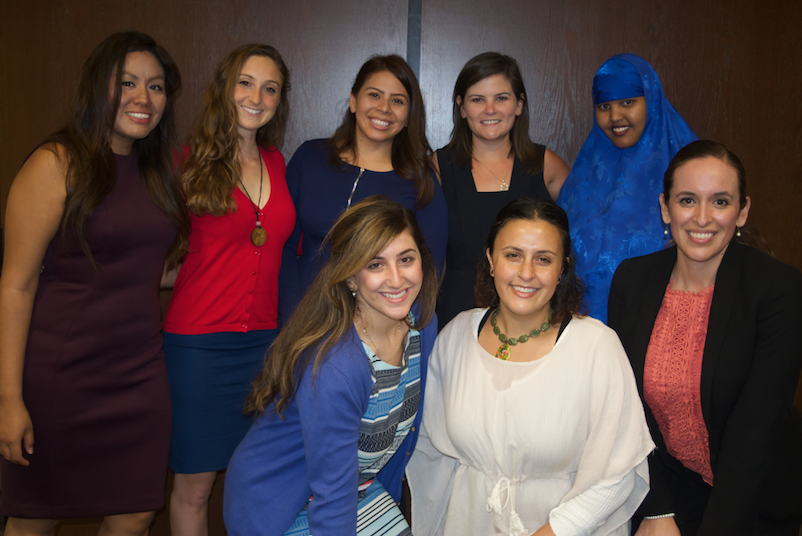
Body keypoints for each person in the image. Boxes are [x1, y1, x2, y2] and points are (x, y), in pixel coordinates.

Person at [0, 31, 188, 535]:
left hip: (140, 374)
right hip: (61, 376)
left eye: (155, 86)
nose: (142, 98)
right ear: (96, 88)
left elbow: (150, 266)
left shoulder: (159, 172)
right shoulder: (56, 163)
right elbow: (14, 286)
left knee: (135, 514)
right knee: (34, 518)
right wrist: (8, 399)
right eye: (126, 83)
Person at [408, 198, 654, 536]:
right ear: (491, 260)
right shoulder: (455, 338)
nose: (526, 273)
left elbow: (618, 473)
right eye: (513, 255)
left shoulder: (596, 347)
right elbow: (430, 456)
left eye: (543, 259)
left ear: (562, 269)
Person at [608, 140, 802, 536]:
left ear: (742, 211)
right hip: (671, 490)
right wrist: (657, 510)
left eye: (719, 202)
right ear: (665, 207)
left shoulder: (779, 290)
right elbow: (628, 409)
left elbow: (754, 434)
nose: (701, 218)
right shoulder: (632, 279)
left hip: (758, 498)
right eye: (686, 200)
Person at [224, 196, 439, 535]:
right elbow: (331, 496)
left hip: (357, 490)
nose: (397, 279)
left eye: (406, 259)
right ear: (351, 279)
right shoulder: (338, 367)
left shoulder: (421, 325)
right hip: (281, 504)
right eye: (375, 264)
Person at [161, 44, 294, 535]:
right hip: (197, 347)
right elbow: (154, 258)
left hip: (263, 347)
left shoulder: (278, 164)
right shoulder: (185, 164)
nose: (256, 96)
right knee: (194, 487)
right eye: (245, 82)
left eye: (269, 88)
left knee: (253, 479)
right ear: (223, 87)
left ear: (279, 100)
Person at [278, 54, 447, 322]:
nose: (384, 108)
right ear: (353, 101)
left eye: (398, 101)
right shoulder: (309, 158)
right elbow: (282, 247)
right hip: (304, 321)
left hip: (378, 329)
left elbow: (428, 270)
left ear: (408, 115)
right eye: (374, 95)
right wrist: (292, 319)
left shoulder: (420, 180)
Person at [559, 53, 697, 323]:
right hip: (584, 336)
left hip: (658, 329)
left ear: (652, 100)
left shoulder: (689, 167)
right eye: (604, 106)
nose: (615, 116)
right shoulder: (583, 177)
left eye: (628, 102)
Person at [435, 52, 570, 327]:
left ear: (519, 104)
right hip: (456, 315)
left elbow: (580, 238)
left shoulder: (548, 166)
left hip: (531, 310)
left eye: (501, 98)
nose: (490, 110)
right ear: (461, 108)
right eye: (477, 100)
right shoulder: (437, 168)